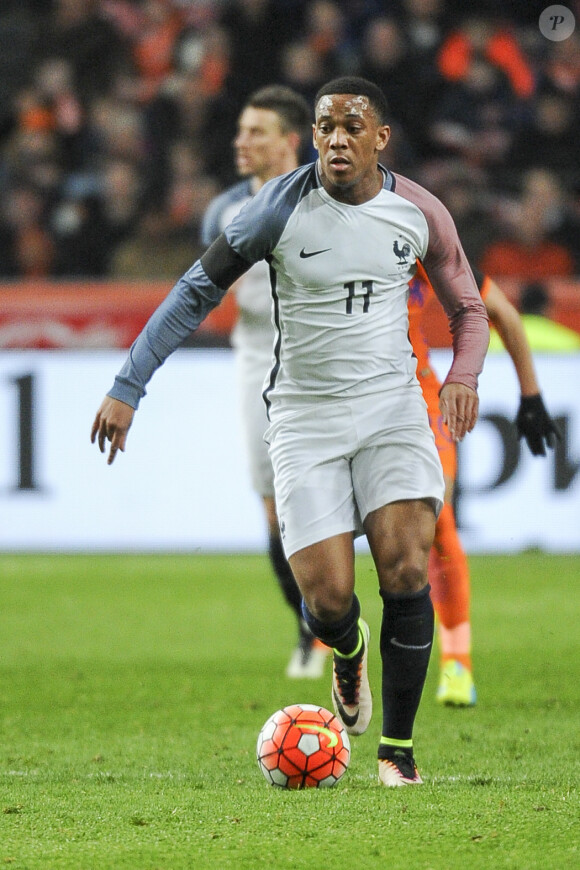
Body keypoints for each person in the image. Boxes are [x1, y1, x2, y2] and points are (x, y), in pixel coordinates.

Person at [91, 76, 489, 787]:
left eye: (351, 126)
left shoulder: (419, 211)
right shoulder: (272, 211)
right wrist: (129, 385)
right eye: (325, 126)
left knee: (405, 565)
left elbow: (470, 309)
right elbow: (193, 291)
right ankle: (346, 648)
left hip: (394, 406)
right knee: (328, 601)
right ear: (313, 137)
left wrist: (462, 377)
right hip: (305, 417)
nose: (336, 138)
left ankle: (397, 752)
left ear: (380, 138)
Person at [201, 84, 329, 679]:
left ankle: (337, 619)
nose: (241, 141)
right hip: (257, 358)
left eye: (256, 131)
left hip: (327, 357)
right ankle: (311, 626)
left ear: (290, 139)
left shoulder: (331, 199)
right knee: (275, 513)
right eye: (240, 130)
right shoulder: (224, 213)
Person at [409, 264, 561, 706]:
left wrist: (530, 396)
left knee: (436, 523)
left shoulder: (420, 233)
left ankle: (457, 664)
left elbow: (501, 313)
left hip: (417, 401)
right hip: (342, 401)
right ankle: (342, 642)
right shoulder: (327, 234)